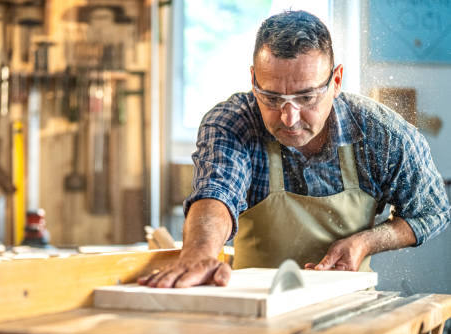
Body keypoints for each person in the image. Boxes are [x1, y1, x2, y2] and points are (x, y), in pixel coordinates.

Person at [138, 10, 450, 288]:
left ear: (336, 80)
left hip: (348, 309)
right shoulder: (234, 122)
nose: (289, 118)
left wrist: (366, 241)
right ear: (253, 79)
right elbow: (216, 191)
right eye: (271, 98)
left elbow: (433, 211)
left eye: (307, 97)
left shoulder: (381, 134)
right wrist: (199, 253)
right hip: (254, 310)